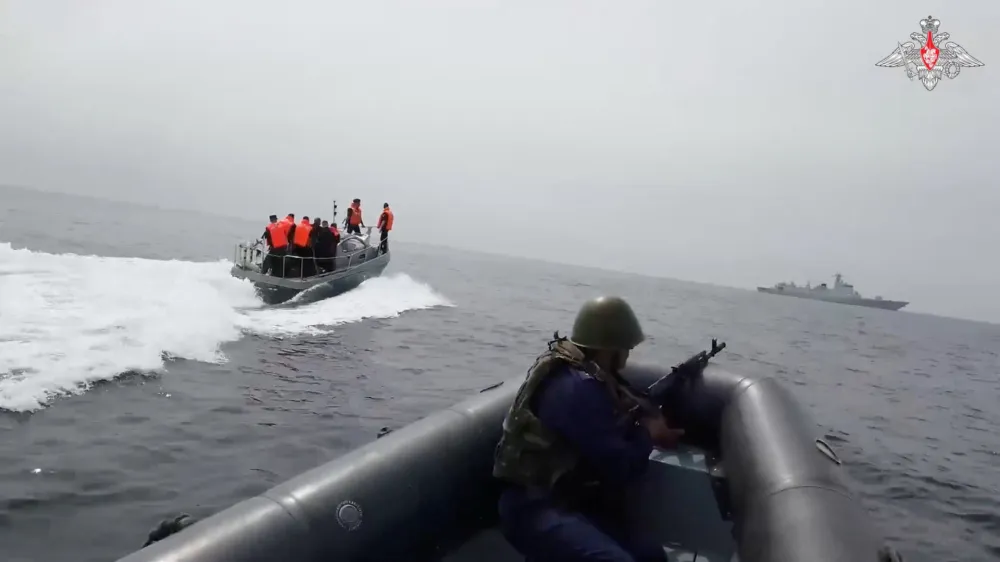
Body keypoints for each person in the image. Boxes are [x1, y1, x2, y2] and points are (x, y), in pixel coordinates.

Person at [493, 296, 683, 562]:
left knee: (650, 555)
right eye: (625, 348)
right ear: (610, 349)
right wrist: (650, 434)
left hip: (565, 501)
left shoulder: (580, 375)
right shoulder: (579, 388)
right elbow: (621, 467)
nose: (628, 355)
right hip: (534, 508)